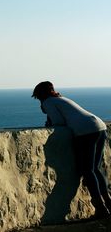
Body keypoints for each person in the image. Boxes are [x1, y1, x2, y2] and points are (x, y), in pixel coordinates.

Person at [32, 81, 111, 219]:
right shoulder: (60, 99)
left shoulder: (48, 102)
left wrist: (48, 117)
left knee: (87, 170)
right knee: (95, 169)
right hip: (99, 126)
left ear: (40, 95)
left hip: (85, 131)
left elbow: (59, 122)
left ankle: (100, 208)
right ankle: (109, 203)